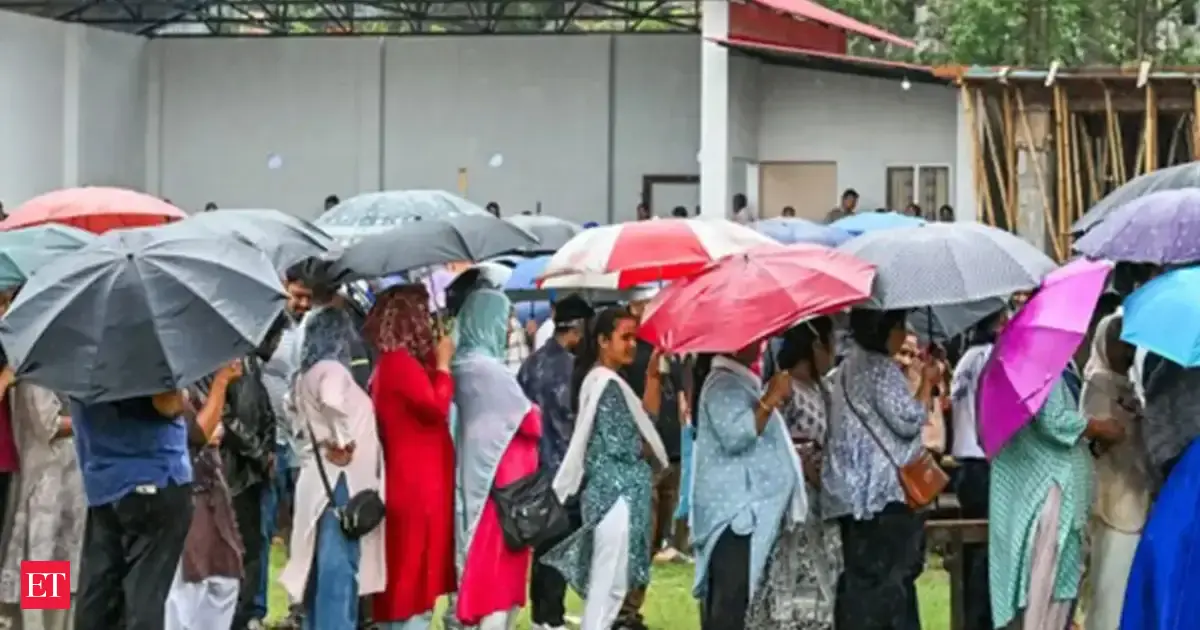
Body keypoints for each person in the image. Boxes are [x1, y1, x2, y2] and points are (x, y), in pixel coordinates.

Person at [541, 307, 669, 630]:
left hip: (620, 494)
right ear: (602, 340)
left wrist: (653, 377)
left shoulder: (612, 383)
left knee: (614, 585)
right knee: (607, 585)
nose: (631, 345)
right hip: (614, 495)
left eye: (634, 339)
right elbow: (634, 445)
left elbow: (645, 424)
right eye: (624, 337)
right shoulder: (602, 384)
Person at [823, 309, 934, 630]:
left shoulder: (845, 368)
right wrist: (926, 384)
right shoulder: (881, 370)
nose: (904, 333)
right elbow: (908, 420)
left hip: (849, 495)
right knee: (891, 582)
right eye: (900, 326)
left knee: (860, 580)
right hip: (882, 495)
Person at [989, 368, 1122, 629]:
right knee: (1045, 586)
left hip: (1052, 493)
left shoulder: (1054, 370)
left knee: (1054, 585)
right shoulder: (1036, 371)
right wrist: (1096, 426)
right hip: (1047, 495)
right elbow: (1052, 421)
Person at [279, 308, 386, 628]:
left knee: (320, 567)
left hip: (319, 479)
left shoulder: (303, 375)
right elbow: (331, 400)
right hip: (341, 480)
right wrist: (342, 439)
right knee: (338, 570)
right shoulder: (332, 371)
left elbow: (292, 414)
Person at [691, 337, 805, 628]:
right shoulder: (720, 385)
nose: (760, 343)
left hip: (748, 511)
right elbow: (735, 436)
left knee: (746, 601)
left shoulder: (741, 381)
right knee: (732, 601)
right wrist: (769, 399)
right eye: (754, 338)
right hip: (733, 512)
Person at [361, 285, 457, 629]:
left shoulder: (397, 364)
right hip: (416, 484)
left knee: (412, 572)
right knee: (412, 577)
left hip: (417, 479)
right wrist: (444, 366)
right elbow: (435, 406)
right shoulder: (399, 364)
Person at [452, 289, 542, 628]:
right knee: (497, 580)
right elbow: (529, 421)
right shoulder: (490, 371)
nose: (508, 329)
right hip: (502, 490)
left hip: (476, 479)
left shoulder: (460, 364)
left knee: (476, 569)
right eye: (504, 320)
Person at [71, 392, 196, 629]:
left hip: (94, 482)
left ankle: (46, 619)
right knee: (46, 560)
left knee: (92, 586)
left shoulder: (75, 366)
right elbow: (44, 425)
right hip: (55, 483)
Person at [747, 318, 841, 629]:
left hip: (817, 504)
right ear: (815, 346)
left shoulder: (822, 389)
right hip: (790, 504)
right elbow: (779, 444)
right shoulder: (784, 389)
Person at [518, 295, 593, 630]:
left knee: (543, 546)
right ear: (577, 329)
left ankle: (542, 614)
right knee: (561, 547)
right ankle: (551, 616)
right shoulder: (572, 369)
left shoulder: (530, 364)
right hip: (565, 469)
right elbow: (576, 420)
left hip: (533, 468)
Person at [616, 289, 688, 630]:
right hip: (646, 454)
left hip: (671, 450)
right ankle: (624, 609)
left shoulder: (666, 346)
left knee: (657, 535)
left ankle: (633, 607)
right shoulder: (631, 352)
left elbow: (679, 390)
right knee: (639, 537)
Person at [1082, 313, 1150, 629]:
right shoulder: (1097, 382)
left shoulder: (1133, 387)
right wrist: (1108, 432)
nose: (1124, 350)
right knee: (1110, 586)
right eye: (1117, 342)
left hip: (1136, 494)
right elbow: (1093, 436)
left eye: (1129, 342)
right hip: (1111, 499)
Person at [0, 379, 85, 630]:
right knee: (44, 563)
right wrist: (95, 423)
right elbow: (48, 424)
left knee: (65, 568)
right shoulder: (36, 374)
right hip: (46, 484)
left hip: (72, 484)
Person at [167, 364, 246, 630]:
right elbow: (47, 423)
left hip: (72, 508)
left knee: (220, 578)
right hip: (46, 505)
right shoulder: (48, 385)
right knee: (47, 580)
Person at [254, 269, 312, 626]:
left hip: (302, 444)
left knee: (303, 532)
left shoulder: (314, 330)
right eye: (297, 295)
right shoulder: (266, 329)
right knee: (262, 530)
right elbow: (49, 424)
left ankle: (298, 608)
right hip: (271, 442)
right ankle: (257, 610)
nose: (302, 303)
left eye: (308, 296)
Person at [948, 309, 1008, 630]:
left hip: (963, 461)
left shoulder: (965, 360)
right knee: (987, 553)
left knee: (973, 552)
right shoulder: (990, 359)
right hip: (984, 462)